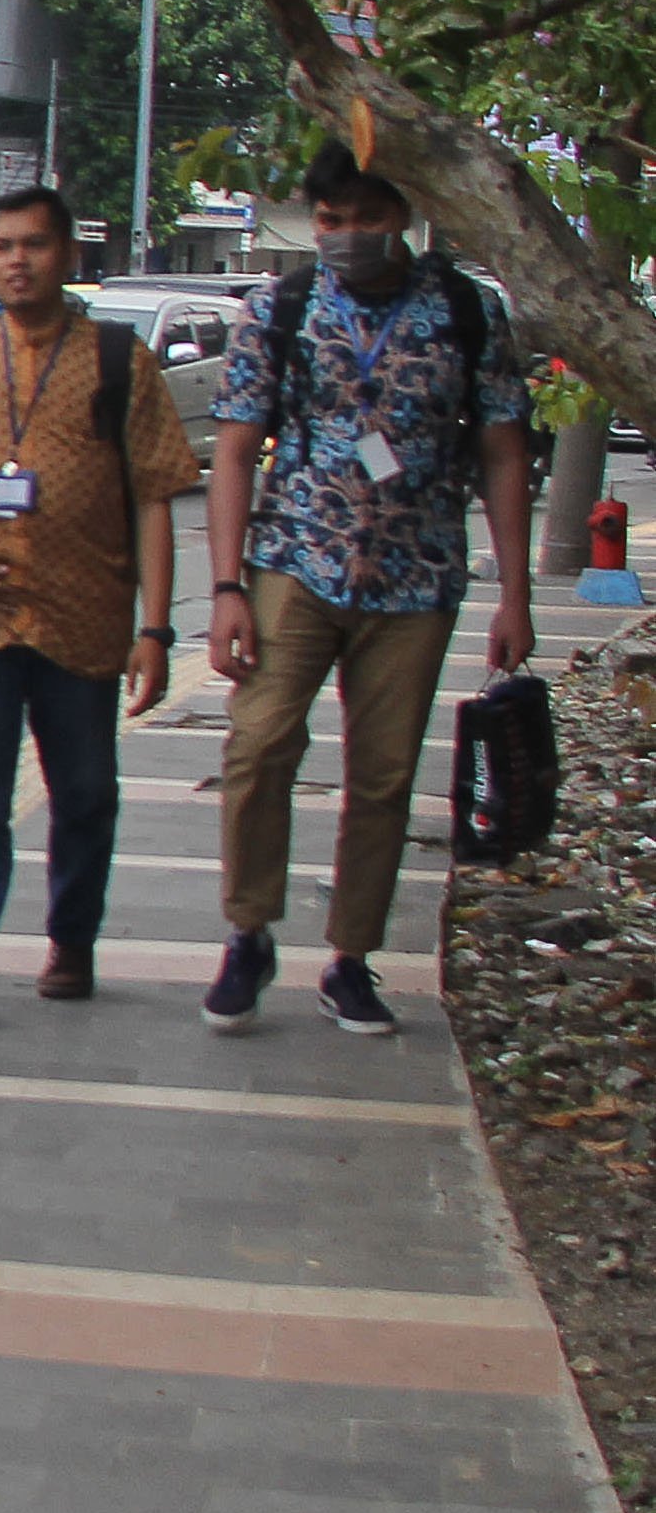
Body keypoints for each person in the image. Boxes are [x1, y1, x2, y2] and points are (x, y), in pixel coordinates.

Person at [201, 141, 535, 1035]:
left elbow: (502, 448)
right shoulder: (280, 307)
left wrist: (516, 592)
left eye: (366, 218)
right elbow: (234, 448)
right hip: (294, 564)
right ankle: (248, 930)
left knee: (382, 775)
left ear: (406, 216)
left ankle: (350, 958)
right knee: (258, 741)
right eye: (330, 220)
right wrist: (225, 586)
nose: (346, 236)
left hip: (416, 576)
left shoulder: (467, 311)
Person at [0, 184, 202, 1035]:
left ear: (68, 256)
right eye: (1, 247)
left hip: (82, 614)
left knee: (86, 792)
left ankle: (71, 937)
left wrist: (157, 628)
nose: (16, 260)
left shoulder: (115, 359)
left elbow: (155, 494)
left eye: (33, 244)